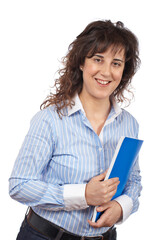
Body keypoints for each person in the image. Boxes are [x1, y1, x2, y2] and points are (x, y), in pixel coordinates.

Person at [9, 20, 142, 240]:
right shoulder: (50, 120)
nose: (107, 72)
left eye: (116, 63)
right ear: (81, 62)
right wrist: (83, 195)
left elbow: (134, 180)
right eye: (98, 59)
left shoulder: (129, 124)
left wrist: (122, 207)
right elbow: (20, 185)